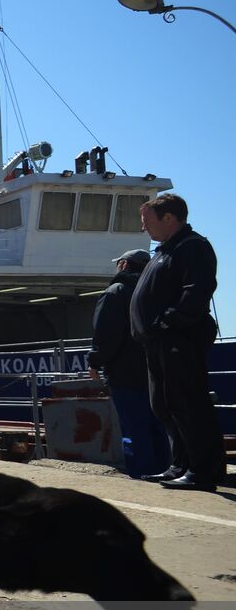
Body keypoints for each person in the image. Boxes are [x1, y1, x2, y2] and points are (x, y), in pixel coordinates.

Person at [128, 193, 224, 491]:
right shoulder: (165, 251)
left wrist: (166, 322)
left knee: (187, 403)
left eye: (147, 221)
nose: (144, 228)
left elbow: (197, 290)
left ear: (168, 218)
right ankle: (180, 465)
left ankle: (202, 470)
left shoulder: (192, 246)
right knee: (164, 404)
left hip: (178, 338)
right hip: (158, 341)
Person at [89, 249, 170, 478]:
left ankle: (142, 475)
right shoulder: (158, 292)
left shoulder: (116, 292)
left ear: (124, 265)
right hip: (158, 370)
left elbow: (107, 333)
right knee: (159, 426)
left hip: (125, 373)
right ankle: (165, 471)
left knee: (134, 428)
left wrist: (95, 361)